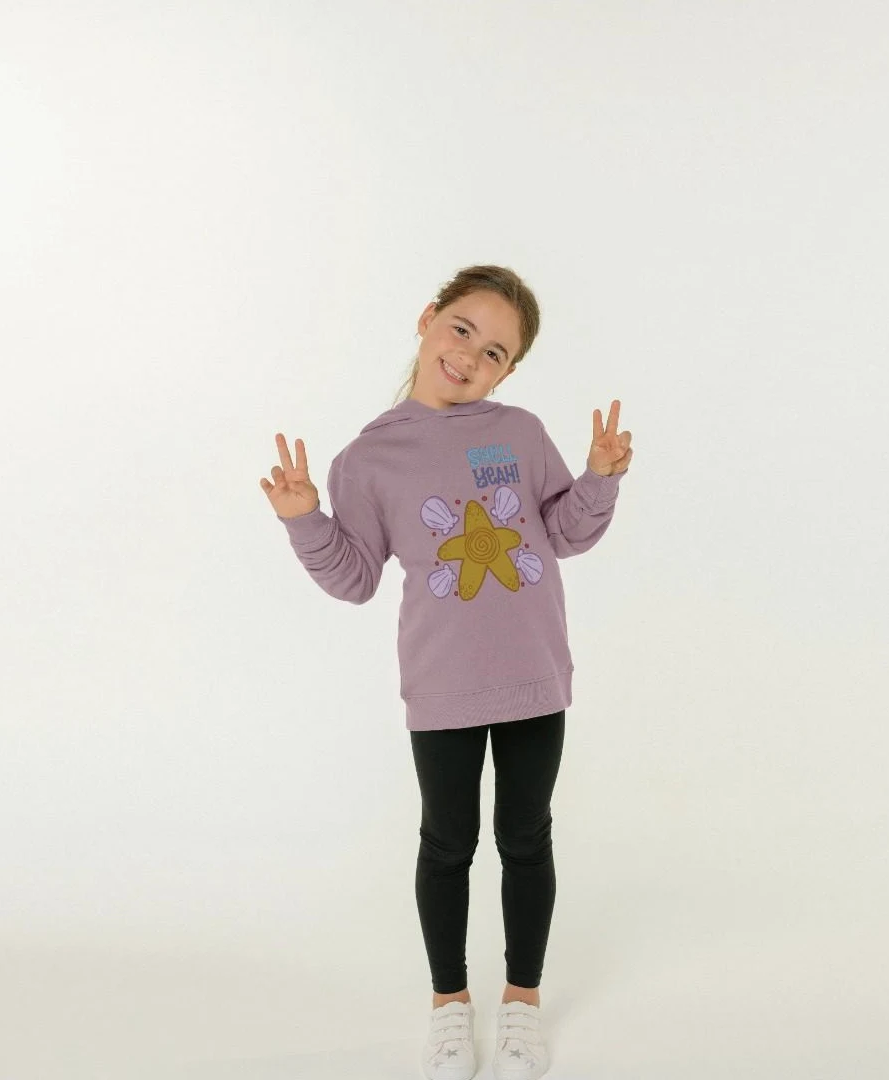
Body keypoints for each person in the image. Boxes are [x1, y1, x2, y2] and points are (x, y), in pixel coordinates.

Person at [260, 264, 632, 1080]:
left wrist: (600, 477)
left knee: (526, 838)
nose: (469, 355)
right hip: (442, 687)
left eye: (494, 351)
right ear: (429, 318)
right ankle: (449, 1006)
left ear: (508, 371)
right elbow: (355, 577)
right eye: (462, 329)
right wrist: (305, 519)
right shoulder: (369, 458)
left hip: (534, 677)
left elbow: (564, 532)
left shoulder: (520, 434)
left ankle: (523, 1001)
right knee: (447, 843)